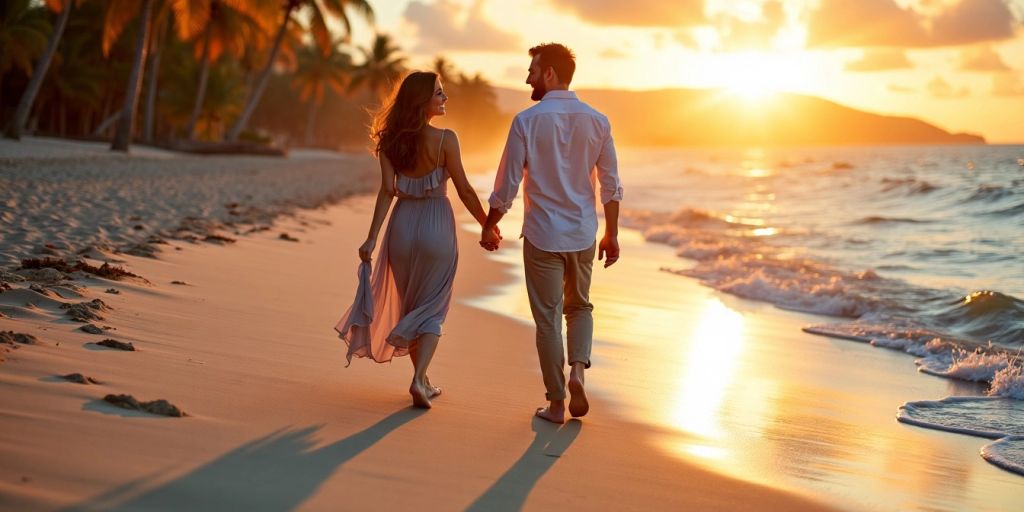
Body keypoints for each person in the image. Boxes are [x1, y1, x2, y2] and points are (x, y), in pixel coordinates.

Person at [335, 71, 498, 409]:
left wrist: (371, 239)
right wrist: (487, 225)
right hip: (436, 225)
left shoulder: (390, 141)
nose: (444, 99)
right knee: (433, 308)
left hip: (402, 227)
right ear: (422, 100)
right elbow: (465, 190)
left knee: (413, 305)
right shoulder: (446, 139)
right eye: (439, 94)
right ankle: (418, 379)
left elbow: (386, 191)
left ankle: (423, 379)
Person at [480, 43, 623, 424]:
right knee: (580, 307)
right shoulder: (598, 121)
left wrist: (490, 222)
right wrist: (612, 233)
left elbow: (507, 184)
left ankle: (557, 404)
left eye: (532, 69)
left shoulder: (526, 121)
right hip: (582, 233)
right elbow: (611, 185)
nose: (527, 76)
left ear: (548, 74)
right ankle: (577, 370)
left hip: (543, 235)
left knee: (548, 319)